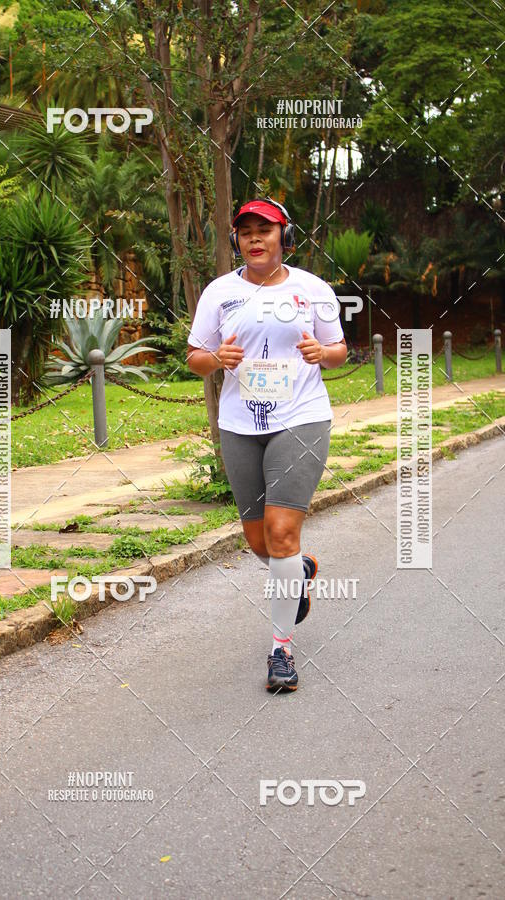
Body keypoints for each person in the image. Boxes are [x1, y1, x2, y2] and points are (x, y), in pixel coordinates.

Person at [186, 198, 348, 692]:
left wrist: (322, 353)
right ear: (236, 240)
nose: (255, 238)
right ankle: (299, 570)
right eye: (246, 231)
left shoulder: (312, 289)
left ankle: (281, 651)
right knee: (260, 543)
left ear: (285, 237)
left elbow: (339, 350)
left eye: (265, 229)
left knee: (280, 533)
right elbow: (194, 357)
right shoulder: (220, 292)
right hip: (239, 423)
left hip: (300, 417)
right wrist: (216, 358)